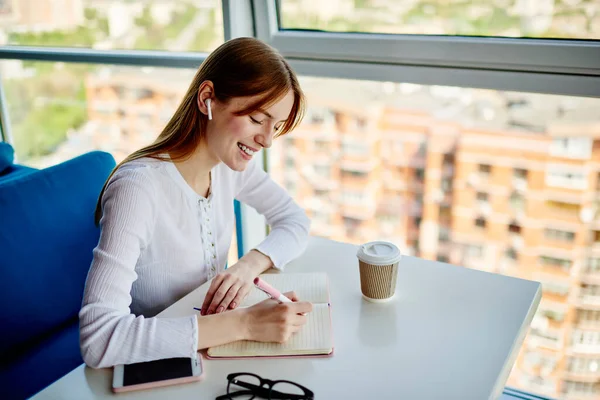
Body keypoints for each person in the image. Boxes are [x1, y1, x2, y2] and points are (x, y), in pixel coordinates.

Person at [79, 37, 313, 369]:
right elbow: (99, 339)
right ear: (208, 99)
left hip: (210, 352)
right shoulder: (139, 188)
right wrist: (246, 323)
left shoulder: (228, 165)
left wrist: (247, 267)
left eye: (275, 127)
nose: (268, 140)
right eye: (258, 119)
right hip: (154, 362)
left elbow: (295, 221)